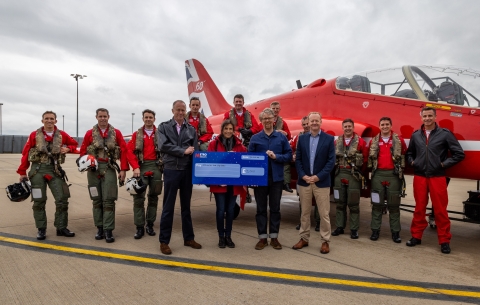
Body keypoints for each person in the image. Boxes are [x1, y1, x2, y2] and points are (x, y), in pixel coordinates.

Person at [406, 107, 464, 254]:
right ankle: (416, 236)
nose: (427, 118)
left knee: (440, 210)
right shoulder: (416, 135)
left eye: (430, 116)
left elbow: (459, 154)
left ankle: (444, 241)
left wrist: (443, 165)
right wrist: (413, 162)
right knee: (419, 209)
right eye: (425, 116)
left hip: (437, 176)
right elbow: (409, 153)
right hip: (420, 176)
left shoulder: (445, 134)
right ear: (421, 118)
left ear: (435, 117)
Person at [17, 111, 78, 240]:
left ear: (56, 121)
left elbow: (74, 144)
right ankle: (41, 229)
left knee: (62, 198)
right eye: (46, 119)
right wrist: (22, 172)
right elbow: (25, 154)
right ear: (42, 121)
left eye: (52, 119)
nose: (49, 121)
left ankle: (61, 227)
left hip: (54, 170)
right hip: (37, 171)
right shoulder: (34, 135)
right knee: (39, 201)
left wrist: (68, 149)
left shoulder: (62, 135)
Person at [157, 100, 201, 255]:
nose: (181, 113)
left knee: (186, 208)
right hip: (171, 170)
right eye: (178, 110)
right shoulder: (163, 127)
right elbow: (163, 146)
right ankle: (164, 241)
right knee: (168, 208)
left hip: (186, 171)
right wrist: (183, 151)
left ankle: (189, 238)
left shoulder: (191, 129)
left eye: (183, 110)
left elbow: (195, 151)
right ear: (172, 110)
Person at [79, 108, 129, 243]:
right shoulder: (89, 133)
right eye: (100, 116)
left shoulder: (116, 133)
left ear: (109, 117)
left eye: (105, 116)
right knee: (96, 200)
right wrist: (86, 163)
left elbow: (124, 150)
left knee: (109, 200)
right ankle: (99, 228)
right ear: (96, 117)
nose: (103, 118)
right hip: (93, 170)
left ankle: (108, 230)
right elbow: (83, 151)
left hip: (109, 167)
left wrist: (123, 170)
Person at [248, 108, 292, 250]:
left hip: (276, 179)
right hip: (260, 180)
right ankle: (262, 238)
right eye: (264, 118)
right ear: (261, 121)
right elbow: (249, 159)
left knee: (275, 209)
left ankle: (274, 237)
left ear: (274, 120)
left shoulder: (281, 138)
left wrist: (276, 157)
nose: (267, 121)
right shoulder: (255, 138)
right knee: (260, 209)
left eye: (269, 118)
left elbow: (289, 155)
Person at [292, 112, 335, 254]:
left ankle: (325, 241)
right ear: (308, 123)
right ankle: (304, 238)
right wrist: (303, 176)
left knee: (324, 214)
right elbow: (297, 160)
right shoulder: (302, 139)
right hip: (304, 182)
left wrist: (318, 176)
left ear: (321, 122)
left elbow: (331, 162)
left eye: (317, 120)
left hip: (321, 182)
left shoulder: (328, 139)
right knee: (304, 213)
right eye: (312, 121)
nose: (314, 123)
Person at [208, 119, 247, 248]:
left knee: (230, 210)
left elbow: (245, 161)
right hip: (219, 183)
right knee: (220, 210)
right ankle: (221, 237)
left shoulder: (239, 145)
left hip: (234, 184)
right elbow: (209, 162)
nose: (228, 131)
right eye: (226, 129)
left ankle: (228, 236)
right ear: (222, 129)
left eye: (231, 129)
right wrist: (225, 157)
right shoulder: (214, 144)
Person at [367, 117, 407, 243]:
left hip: (393, 175)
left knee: (394, 205)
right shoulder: (374, 141)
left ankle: (395, 233)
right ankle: (375, 231)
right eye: (382, 124)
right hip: (378, 175)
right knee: (376, 205)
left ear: (391, 125)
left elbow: (404, 152)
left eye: (387, 124)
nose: (385, 126)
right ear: (379, 126)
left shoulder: (399, 141)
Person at [127, 109, 163, 239]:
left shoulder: (161, 134)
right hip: (141, 167)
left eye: (151, 117)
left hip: (156, 166)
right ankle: (139, 227)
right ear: (143, 119)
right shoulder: (137, 135)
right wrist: (135, 167)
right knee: (138, 198)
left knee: (154, 197)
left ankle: (150, 224)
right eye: (146, 117)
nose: (148, 119)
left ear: (154, 119)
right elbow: (129, 152)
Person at [331, 119, 368, 239]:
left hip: (353, 174)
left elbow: (366, 159)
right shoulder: (337, 142)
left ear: (353, 128)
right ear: (342, 128)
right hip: (339, 173)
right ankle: (339, 227)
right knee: (340, 203)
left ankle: (354, 229)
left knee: (353, 204)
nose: (347, 128)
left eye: (349, 126)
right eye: (345, 126)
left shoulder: (360, 142)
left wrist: (358, 172)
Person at [291, 116, 320, 231]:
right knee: (302, 200)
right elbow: (291, 148)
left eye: (307, 123)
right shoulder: (299, 137)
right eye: (303, 124)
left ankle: (318, 222)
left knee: (318, 200)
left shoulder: (320, 136)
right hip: (303, 174)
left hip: (317, 174)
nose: (306, 126)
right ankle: (303, 223)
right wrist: (293, 154)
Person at [270, 101, 293, 193]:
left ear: (279, 110)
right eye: (273, 108)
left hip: (279, 149)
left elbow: (289, 136)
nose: (275, 110)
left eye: (277, 109)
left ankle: (286, 183)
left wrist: (284, 133)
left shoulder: (283, 123)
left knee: (286, 164)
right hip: (268, 148)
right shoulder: (266, 121)